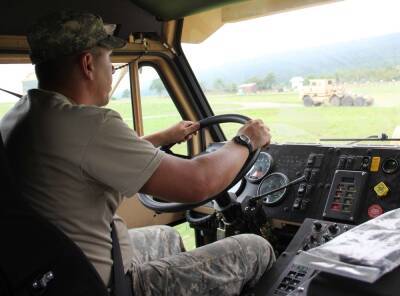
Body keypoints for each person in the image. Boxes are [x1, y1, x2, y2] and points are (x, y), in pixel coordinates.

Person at [0, 11, 275, 296]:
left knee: (167, 236)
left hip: (57, 274)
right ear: (88, 64)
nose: (112, 69)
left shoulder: (25, 116)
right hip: (99, 284)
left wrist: (162, 138)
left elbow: (87, 158)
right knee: (255, 249)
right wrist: (245, 140)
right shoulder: (89, 123)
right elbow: (198, 181)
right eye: (110, 60)